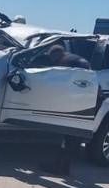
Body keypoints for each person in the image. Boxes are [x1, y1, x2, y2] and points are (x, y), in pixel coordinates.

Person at [38, 44, 91, 176]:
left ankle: (62, 165)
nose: (53, 63)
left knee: (69, 130)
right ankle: (65, 161)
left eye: (53, 60)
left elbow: (58, 81)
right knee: (75, 131)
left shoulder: (65, 62)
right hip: (89, 96)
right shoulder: (73, 59)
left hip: (79, 99)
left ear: (57, 55)